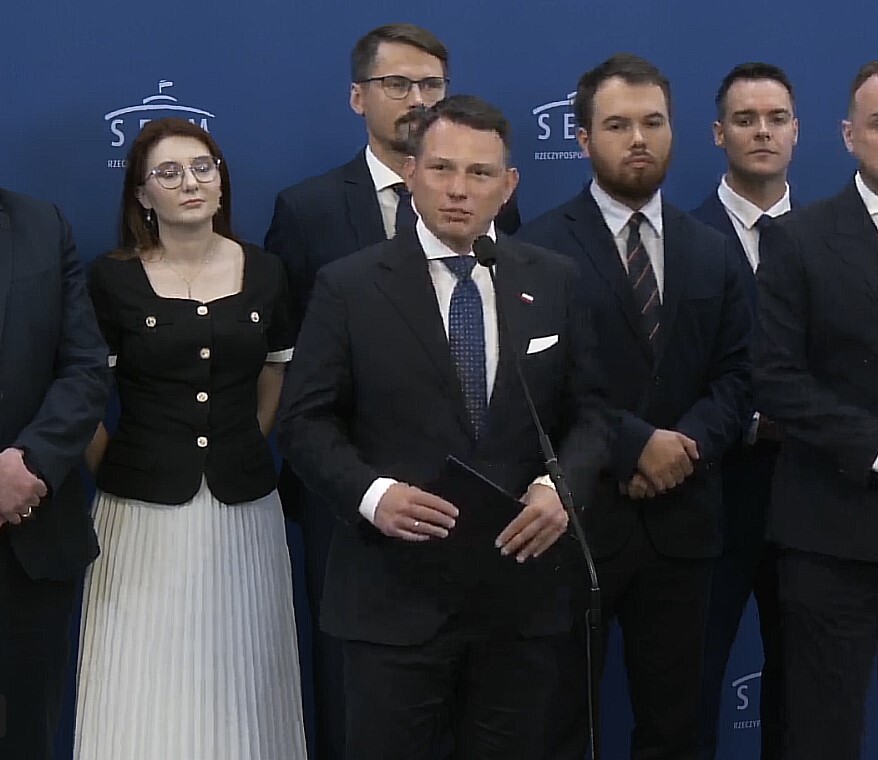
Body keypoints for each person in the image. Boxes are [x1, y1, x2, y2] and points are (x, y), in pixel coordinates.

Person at [277, 94, 611, 760]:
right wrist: (373, 495)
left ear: (508, 185)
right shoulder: (348, 286)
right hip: (392, 596)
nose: (459, 189)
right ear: (411, 173)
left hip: (519, 597)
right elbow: (303, 421)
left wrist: (561, 489)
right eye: (441, 168)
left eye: (480, 173)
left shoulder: (555, 281)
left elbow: (595, 415)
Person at [263, 23, 520, 758]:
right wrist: (364, 490)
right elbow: (297, 369)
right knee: (364, 712)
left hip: (479, 510)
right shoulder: (308, 208)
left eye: (430, 85)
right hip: (358, 509)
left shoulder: (491, 207)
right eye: (397, 84)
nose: (416, 99)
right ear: (358, 97)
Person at [518, 54, 751, 760]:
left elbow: (740, 375)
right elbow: (535, 382)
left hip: (686, 524)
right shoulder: (538, 247)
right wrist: (633, 445)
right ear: (583, 138)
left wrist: (682, 448)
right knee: (562, 727)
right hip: (579, 524)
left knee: (677, 730)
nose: (639, 139)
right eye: (618, 125)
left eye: (653, 122)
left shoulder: (712, 250)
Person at [73, 117, 307, 760]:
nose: (190, 183)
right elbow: (83, 393)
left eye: (203, 168)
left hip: (245, 509)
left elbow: (276, 370)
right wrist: (118, 466)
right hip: (138, 514)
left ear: (222, 183)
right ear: (142, 195)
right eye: (169, 173)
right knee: (140, 676)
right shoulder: (111, 279)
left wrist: (246, 440)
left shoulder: (266, 271)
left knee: (244, 672)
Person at [753, 60, 878, 760]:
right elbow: (775, 378)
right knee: (823, 735)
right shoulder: (799, 239)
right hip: (835, 535)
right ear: (848, 135)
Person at [691, 62, 799, 760]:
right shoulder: (680, 239)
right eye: (745, 119)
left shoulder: (837, 238)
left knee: (805, 701)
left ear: (797, 131)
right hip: (709, 503)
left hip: (812, 504)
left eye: (776, 119)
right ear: (718, 133)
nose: (762, 132)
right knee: (691, 692)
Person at [0, 189, 109, 760]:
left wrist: (30, 462)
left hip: (29, 538)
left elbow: (84, 368)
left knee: (26, 737)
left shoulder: (41, 224)